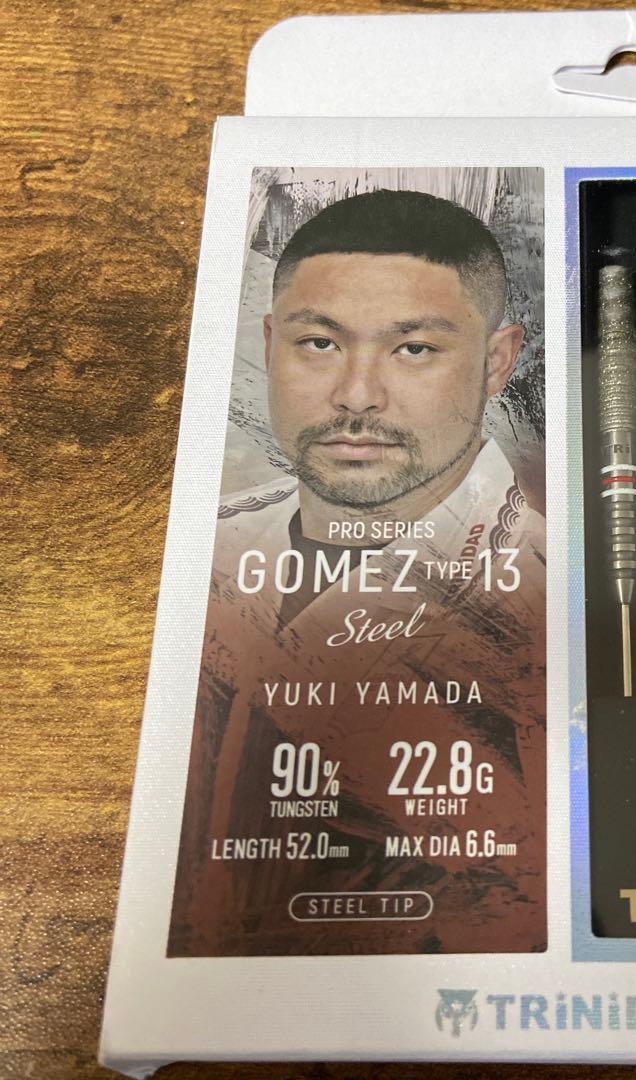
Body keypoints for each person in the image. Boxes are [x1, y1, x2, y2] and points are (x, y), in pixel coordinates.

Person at [169, 188, 546, 958]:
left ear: (497, 362)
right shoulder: (203, 553)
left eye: (414, 350)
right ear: (269, 342)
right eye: (319, 343)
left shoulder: (552, 599)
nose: (356, 396)